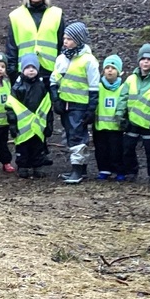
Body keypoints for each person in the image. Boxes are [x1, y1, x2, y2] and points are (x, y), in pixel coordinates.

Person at [53, 21, 101, 184]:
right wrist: (56, 99)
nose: (65, 41)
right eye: (64, 38)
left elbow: (94, 86)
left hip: (80, 105)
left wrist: (91, 109)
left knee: (77, 137)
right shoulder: (61, 58)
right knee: (69, 135)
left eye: (69, 39)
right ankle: (79, 168)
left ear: (78, 40)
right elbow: (55, 80)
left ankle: (78, 170)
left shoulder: (89, 61)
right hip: (65, 104)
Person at [121, 43, 150, 184]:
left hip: (149, 123)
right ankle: (130, 171)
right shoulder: (131, 79)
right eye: (143, 59)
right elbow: (123, 98)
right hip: (132, 121)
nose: (145, 62)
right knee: (128, 147)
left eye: (149, 59)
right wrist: (120, 114)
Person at [6, 0, 65, 81]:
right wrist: (13, 75)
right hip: (24, 72)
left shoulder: (57, 14)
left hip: (50, 73)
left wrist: (60, 73)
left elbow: (63, 45)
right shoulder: (16, 16)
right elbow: (11, 48)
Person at [7, 54, 52, 178]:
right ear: (22, 70)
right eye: (27, 67)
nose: (31, 70)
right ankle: (23, 167)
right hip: (23, 126)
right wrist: (12, 124)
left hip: (38, 125)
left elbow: (47, 106)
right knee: (23, 148)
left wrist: (49, 124)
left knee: (38, 147)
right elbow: (11, 106)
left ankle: (37, 166)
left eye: (34, 67)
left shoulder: (42, 86)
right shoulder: (17, 87)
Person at [94, 55, 125, 180]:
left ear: (119, 71)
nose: (110, 70)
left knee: (116, 151)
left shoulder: (123, 88)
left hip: (116, 128)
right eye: (107, 68)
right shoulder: (98, 86)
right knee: (101, 150)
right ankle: (104, 170)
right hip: (100, 127)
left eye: (113, 68)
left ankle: (119, 171)